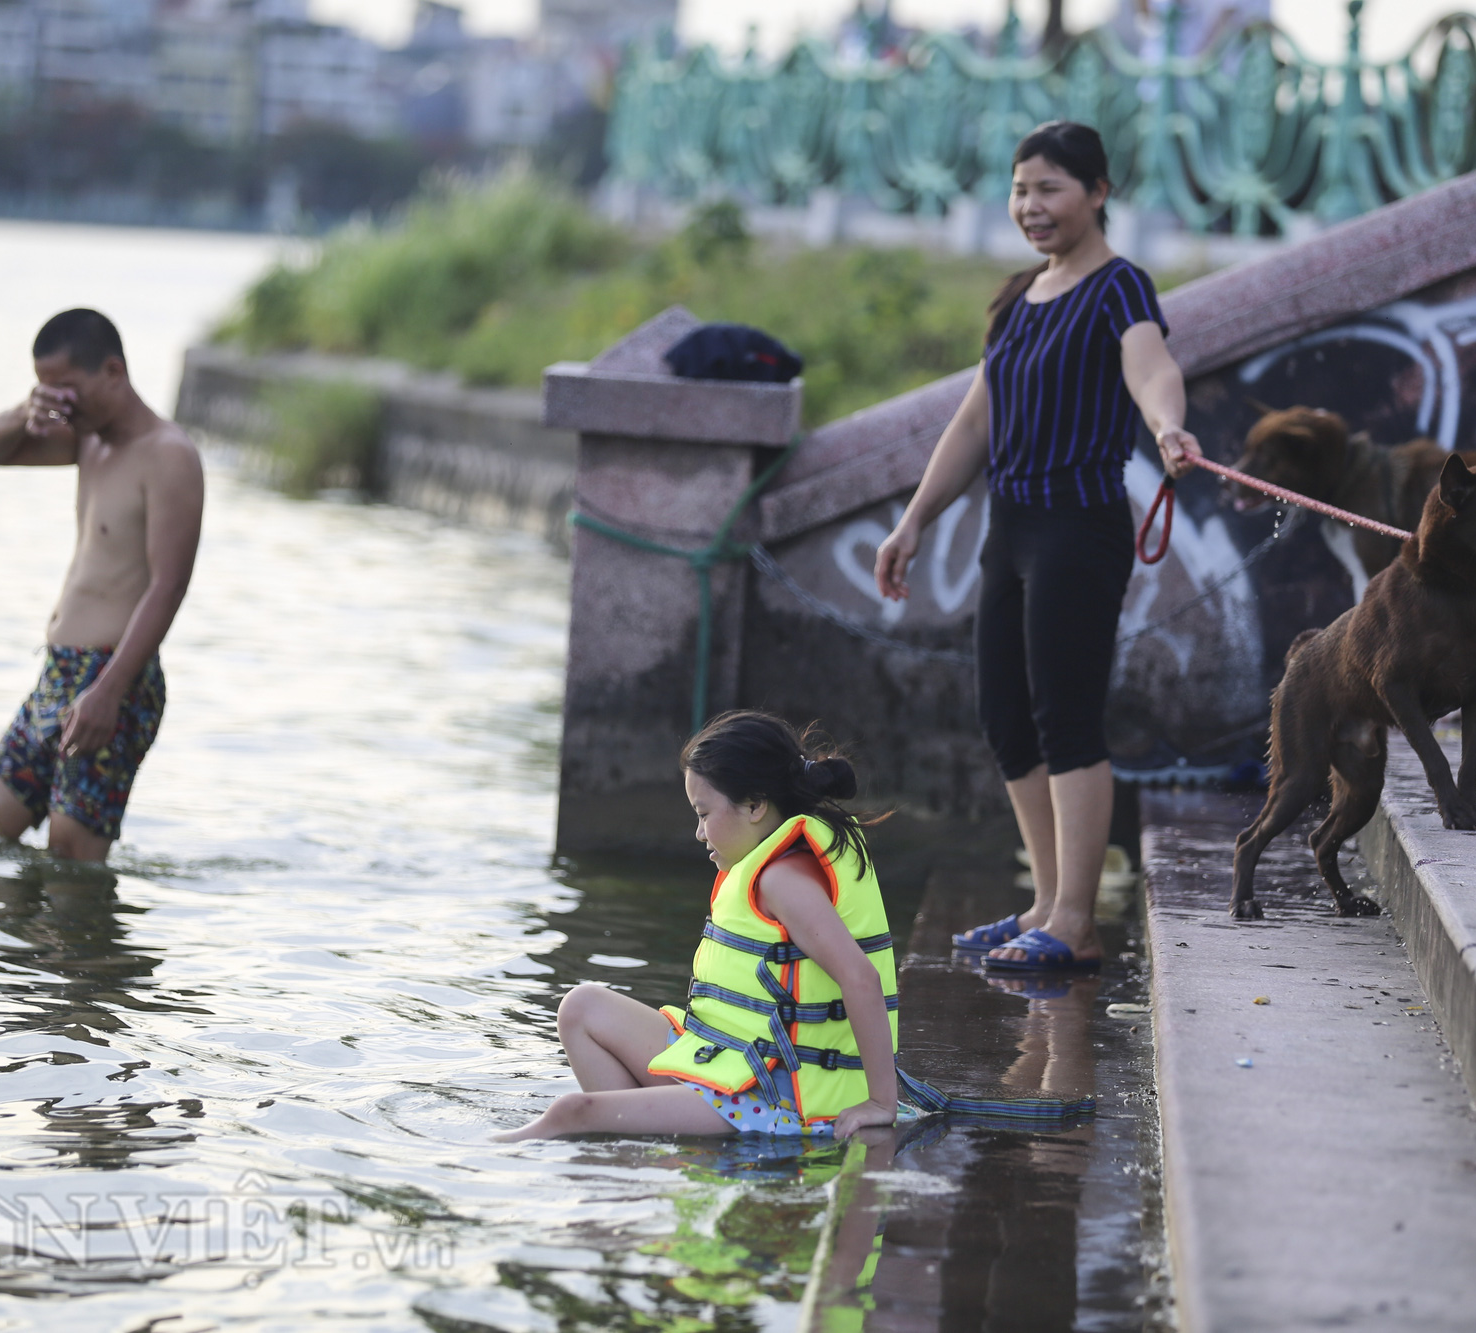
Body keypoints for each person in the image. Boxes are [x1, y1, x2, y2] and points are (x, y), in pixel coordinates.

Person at [873, 121, 1199, 973]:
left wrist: (1168, 427)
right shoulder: (1018, 297)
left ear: (1097, 194)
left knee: (1067, 717)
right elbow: (975, 419)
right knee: (1007, 719)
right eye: (1021, 190)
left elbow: (1151, 366)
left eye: (1051, 189)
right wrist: (915, 520)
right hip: (1009, 527)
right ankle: (1047, 905)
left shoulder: (1120, 287)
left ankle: (1076, 919)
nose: (1032, 206)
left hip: (1078, 529)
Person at [496, 712, 901, 1141]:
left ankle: (478, 1157)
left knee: (571, 1113)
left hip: (776, 1097)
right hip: (734, 1062)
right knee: (581, 1007)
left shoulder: (785, 881)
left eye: (704, 813)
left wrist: (880, 1102)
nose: (698, 833)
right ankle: (640, 1146)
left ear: (755, 805)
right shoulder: (769, 864)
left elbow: (860, 977)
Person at [0, 309, 204, 864]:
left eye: (66, 389)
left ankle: (80, 952)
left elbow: (168, 586)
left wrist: (109, 691)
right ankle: (17, 954)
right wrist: (27, 410)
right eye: (47, 391)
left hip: (115, 677)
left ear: (113, 371)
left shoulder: (169, 455)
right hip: (59, 673)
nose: (58, 405)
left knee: (72, 865)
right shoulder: (88, 442)